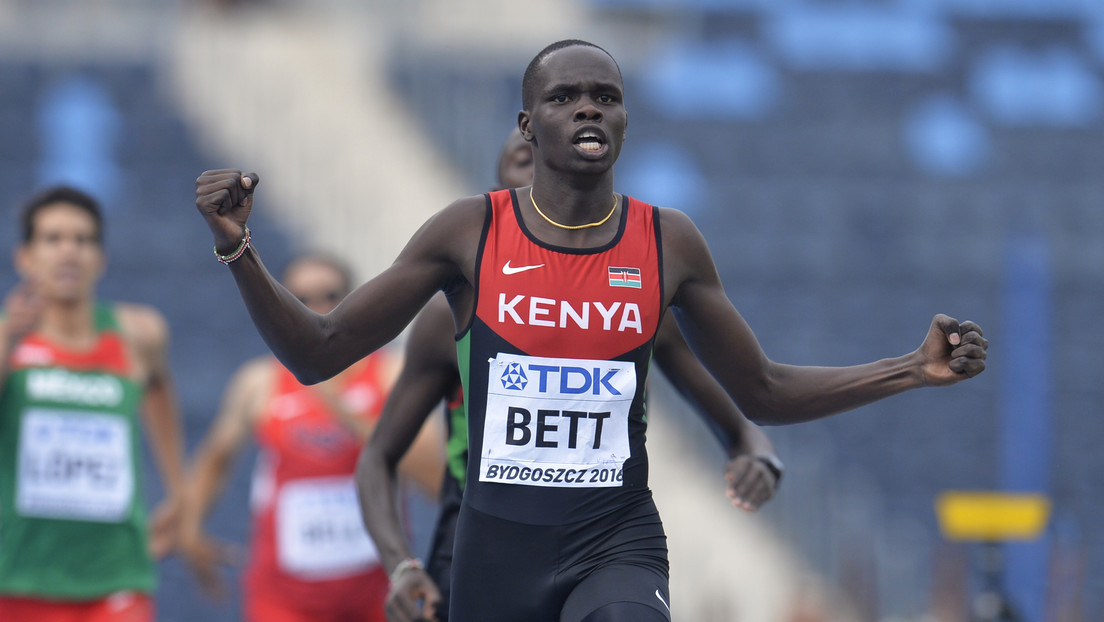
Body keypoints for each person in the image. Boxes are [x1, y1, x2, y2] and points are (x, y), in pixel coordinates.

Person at [193, 39, 988, 622]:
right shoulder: (468, 233)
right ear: (527, 124)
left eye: (605, 96)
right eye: (565, 96)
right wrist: (238, 249)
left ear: (624, 120)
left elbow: (763, 391)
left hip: (615, 537)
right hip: (494, 547)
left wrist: (910, 369)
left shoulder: (667, 242)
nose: (587, 108)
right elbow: (319, 352)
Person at [356, 128, 784, 622]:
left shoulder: (640, 302)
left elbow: (742, 419)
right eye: (526, 159)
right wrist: (401, 565)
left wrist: (760, 457)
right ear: (499, 193)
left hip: (597, 545)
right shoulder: (447, 317)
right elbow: (379, 456)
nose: (546, 167)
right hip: (478, 550)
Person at [177, 253, 443, 622]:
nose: (316, 310)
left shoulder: (389, 374)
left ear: (354, 300)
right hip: (284, 600)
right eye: (300, 300)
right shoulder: (260, 382)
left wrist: (341, 405)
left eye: (329, 296)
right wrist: (190, 529)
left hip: (376, 596)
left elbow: (436, 480)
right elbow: (215, 458)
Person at [0, 185, 186, 622]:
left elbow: (159, 390)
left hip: (117, 577)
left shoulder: (139, 334)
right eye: (53, 239)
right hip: (21, 577)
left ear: (100, 259)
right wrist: (8, 337)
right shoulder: (8, 340)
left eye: (83, 240)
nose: (70, 251)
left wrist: (179, 489)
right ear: (24, 257)